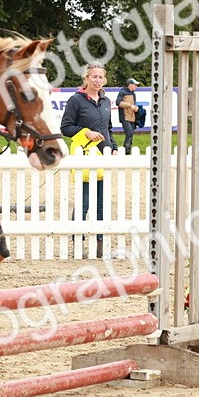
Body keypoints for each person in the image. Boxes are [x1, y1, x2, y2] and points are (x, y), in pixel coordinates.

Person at [61, 64, 115, 258]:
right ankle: (78, 244)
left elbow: (108, 128)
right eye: (94, 76)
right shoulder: (76, 100)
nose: (97, 80)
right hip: (84, 155)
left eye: (101, 77)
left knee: (101, 203)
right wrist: (86, 132)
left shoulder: (106, 101)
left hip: (103, 157)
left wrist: (114, 147)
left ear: (104, 80)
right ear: (87, 78)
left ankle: (100, 245)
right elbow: (66, 128)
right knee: (83, 201)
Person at [114, 78, 140, 152]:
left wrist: (136, 107)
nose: (136, 87)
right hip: (125, 116)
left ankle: (128, 149)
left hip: (132, 116)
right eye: (135, 85)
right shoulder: (122, 92)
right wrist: (129, 105)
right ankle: (126, 149)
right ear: (130, 84)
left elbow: (134, 104)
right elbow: (118, 103)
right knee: (129, 132)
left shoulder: (133, 94)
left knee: (131, 133)